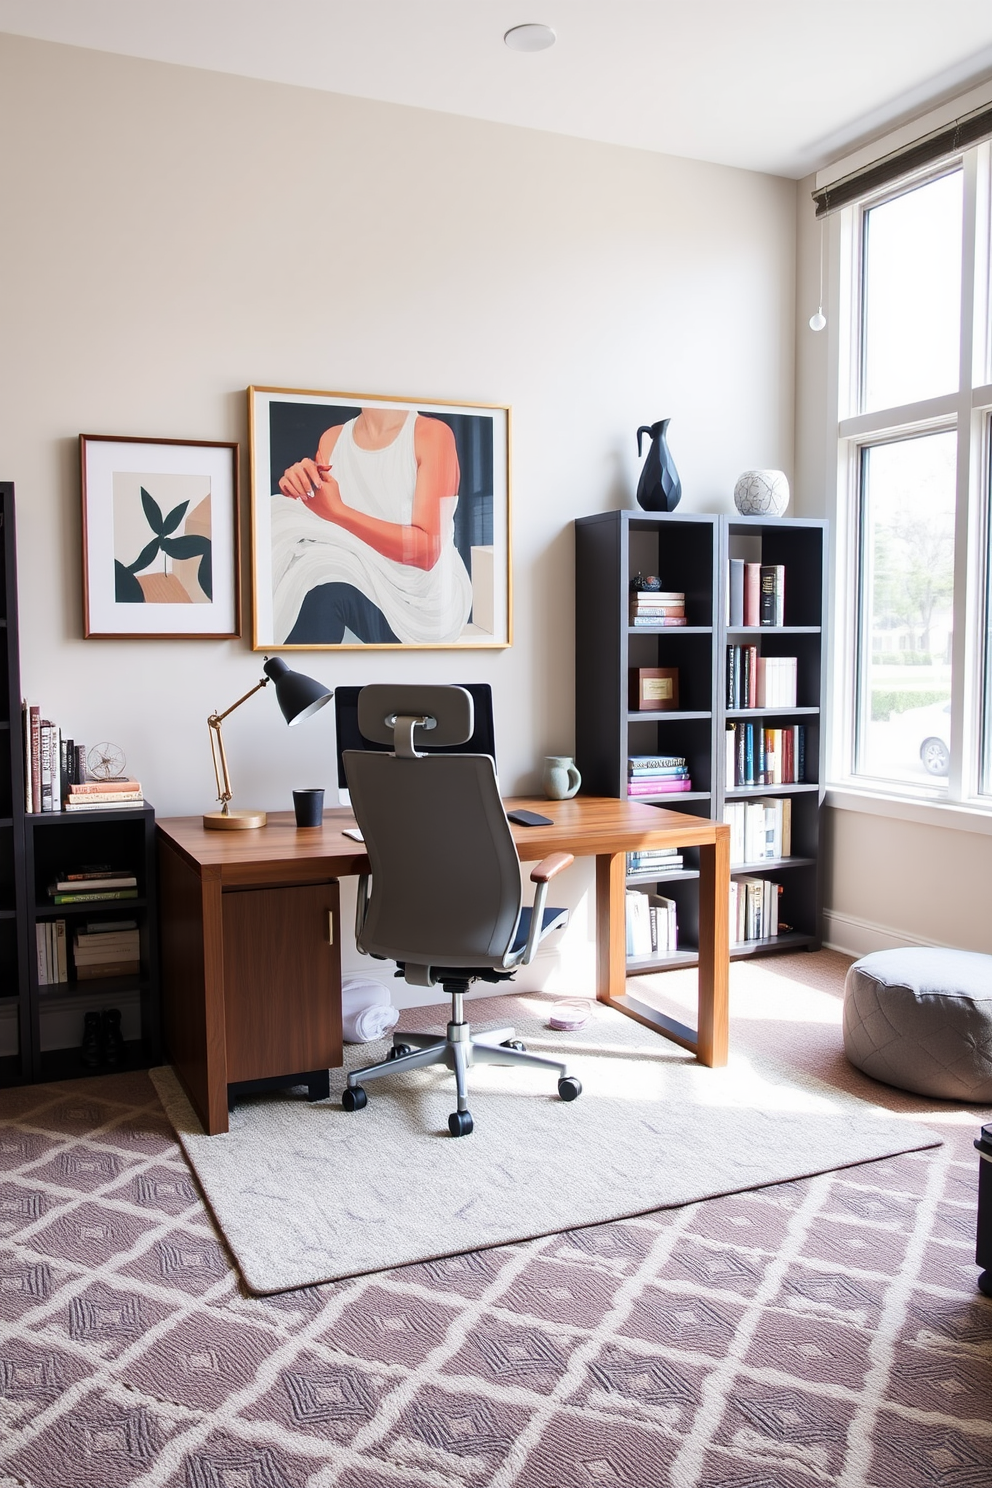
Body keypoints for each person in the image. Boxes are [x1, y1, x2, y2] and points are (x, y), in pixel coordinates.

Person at [270, 406, 473, 644]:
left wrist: (339, 512)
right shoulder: (333, 439)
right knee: (310, 569)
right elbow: (324, 526)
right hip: (362, 572)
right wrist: (299, 490)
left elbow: (426, 552)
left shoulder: (431, 435)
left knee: (322, 585)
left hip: (423, 601)